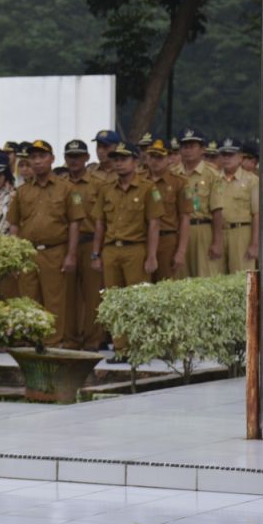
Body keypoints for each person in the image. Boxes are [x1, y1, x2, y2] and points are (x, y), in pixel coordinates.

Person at [7, 139, 83, 348]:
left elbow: (75, 223)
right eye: (33, 157)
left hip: (55, 250)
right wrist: (15, 255)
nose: (37, 161)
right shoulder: (22, 191)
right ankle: (32, 341)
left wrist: (71, 255)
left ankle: (53, 342)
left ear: (52, 159)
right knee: (28, 298)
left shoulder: (66, 188)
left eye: (42, 156)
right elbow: (14, 224)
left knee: (55, 300)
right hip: (28, 252)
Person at [91, 139, 163, 359]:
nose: (119, 163)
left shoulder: (148, 188)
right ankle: (121, 348)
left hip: (136, 249)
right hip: (111, 249)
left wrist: (151, 256)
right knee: (114, 302)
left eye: (124, 159)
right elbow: (100, 224)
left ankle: (139, 347)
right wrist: (96, 253)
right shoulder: (106, 189)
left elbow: (154, 223)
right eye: (116, 159)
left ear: (135, 161)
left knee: (138, 300)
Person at [61, 140, 103, 350]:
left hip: (89, 241)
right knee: (67, 294)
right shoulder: (60, 184)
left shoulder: (98, 183)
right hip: (66, 243)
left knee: (92, 294)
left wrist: (98, 251)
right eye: (70, 156)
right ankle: (69, 339)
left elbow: (102, 218)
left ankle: (92, 340)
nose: (74, 160)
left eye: (78, 156)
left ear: (87, 158)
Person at [172, 128, 222, 277]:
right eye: (184, 147)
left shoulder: (212, 175)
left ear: (202, 150)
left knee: (205, 277)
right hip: (178, 230)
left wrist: (217, 241)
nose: (188, 151)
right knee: (179, 277)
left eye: (192, 146)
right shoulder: (173, 174)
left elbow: (218, 210)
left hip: (202, 228)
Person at [141, 136, 192, 281]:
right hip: (141, 239)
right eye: (151, 156)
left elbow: (185, 218)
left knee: (166, 287)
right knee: (141, 288)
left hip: (167, 241)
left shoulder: (179, 183)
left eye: (159, 157)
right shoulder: (139, 180)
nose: (154, 161)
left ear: (169, 158)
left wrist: (181, 252)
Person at [209, 138, 258, 273]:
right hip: (217, 232)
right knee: (216, 278)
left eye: (231, 155)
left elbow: (257, 215)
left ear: (240, 157)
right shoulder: (214, 179)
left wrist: (254, 244)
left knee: (244, 278)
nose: (226, 159)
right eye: (224, 155)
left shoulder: (252, 180)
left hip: (241, 233)